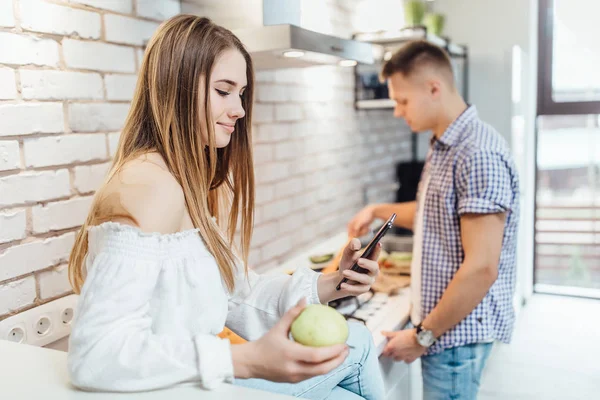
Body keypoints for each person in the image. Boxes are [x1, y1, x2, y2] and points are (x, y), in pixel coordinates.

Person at [66, 15, 385, 400]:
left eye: (241, 94)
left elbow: (234, 293)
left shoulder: (182, 179)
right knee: (360, 344)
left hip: (192, 383)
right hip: (172, 389)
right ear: (177, 88)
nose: (239, 110)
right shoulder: (148, 186)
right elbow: (96, 354)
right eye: (223, 91)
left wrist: (334, 282)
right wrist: (244, 360)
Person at [348, 40, 520, 399]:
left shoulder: (478, 153)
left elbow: (482, 268)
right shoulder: (445, 143)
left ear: (434, 88)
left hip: (454, 336)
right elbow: (433, 214)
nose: (397, 111)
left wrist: (423, 334)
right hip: (445, 330)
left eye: (402, 100)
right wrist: (377, 210)